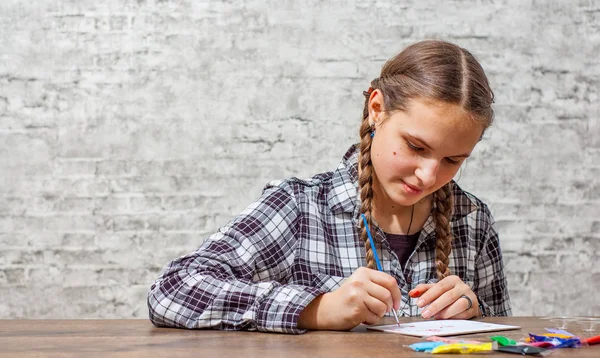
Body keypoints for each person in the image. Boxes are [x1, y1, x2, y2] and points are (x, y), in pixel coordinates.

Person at [147, 39, 512, 334]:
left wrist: (476, 315)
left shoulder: (473, 220)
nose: (428, 177)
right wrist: (315, 309)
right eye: (416, 147)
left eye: (453, 160)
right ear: (376, 108)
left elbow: (508, 335)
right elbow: (173, 290)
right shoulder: (300, 208)